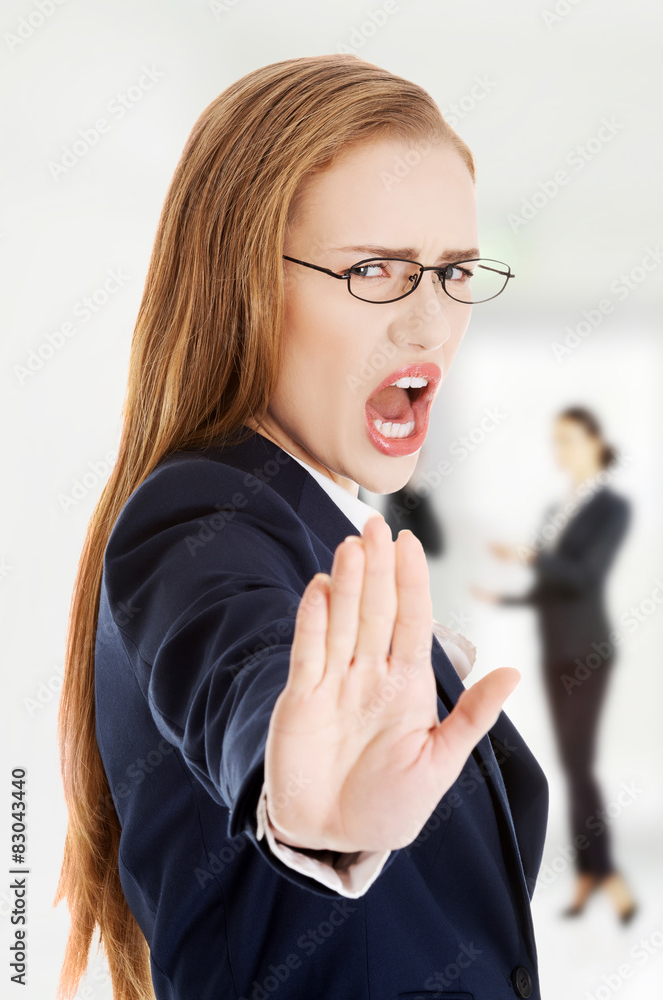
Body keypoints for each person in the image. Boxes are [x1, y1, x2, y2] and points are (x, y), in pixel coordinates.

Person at [53, 54, 548, 1000]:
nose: (431, 326)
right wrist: (308, 816)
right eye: (374, 270)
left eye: (452, 273)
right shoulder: (199, 513)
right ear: (240, 282)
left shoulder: (308, 522)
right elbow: (242, 665)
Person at [474, 406, 636, 923]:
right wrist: (505, 601)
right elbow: (550, 589)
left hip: (589, 649)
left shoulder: (612, 508)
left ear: (593, 441)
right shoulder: (555, 509)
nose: (560, 451)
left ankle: (606, 873)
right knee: (571, 765)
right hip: (554, 647)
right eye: (556, 442)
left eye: (568, 440)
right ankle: (590, 873)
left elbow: (584, 577)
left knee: (580, 764)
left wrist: (529, 556)